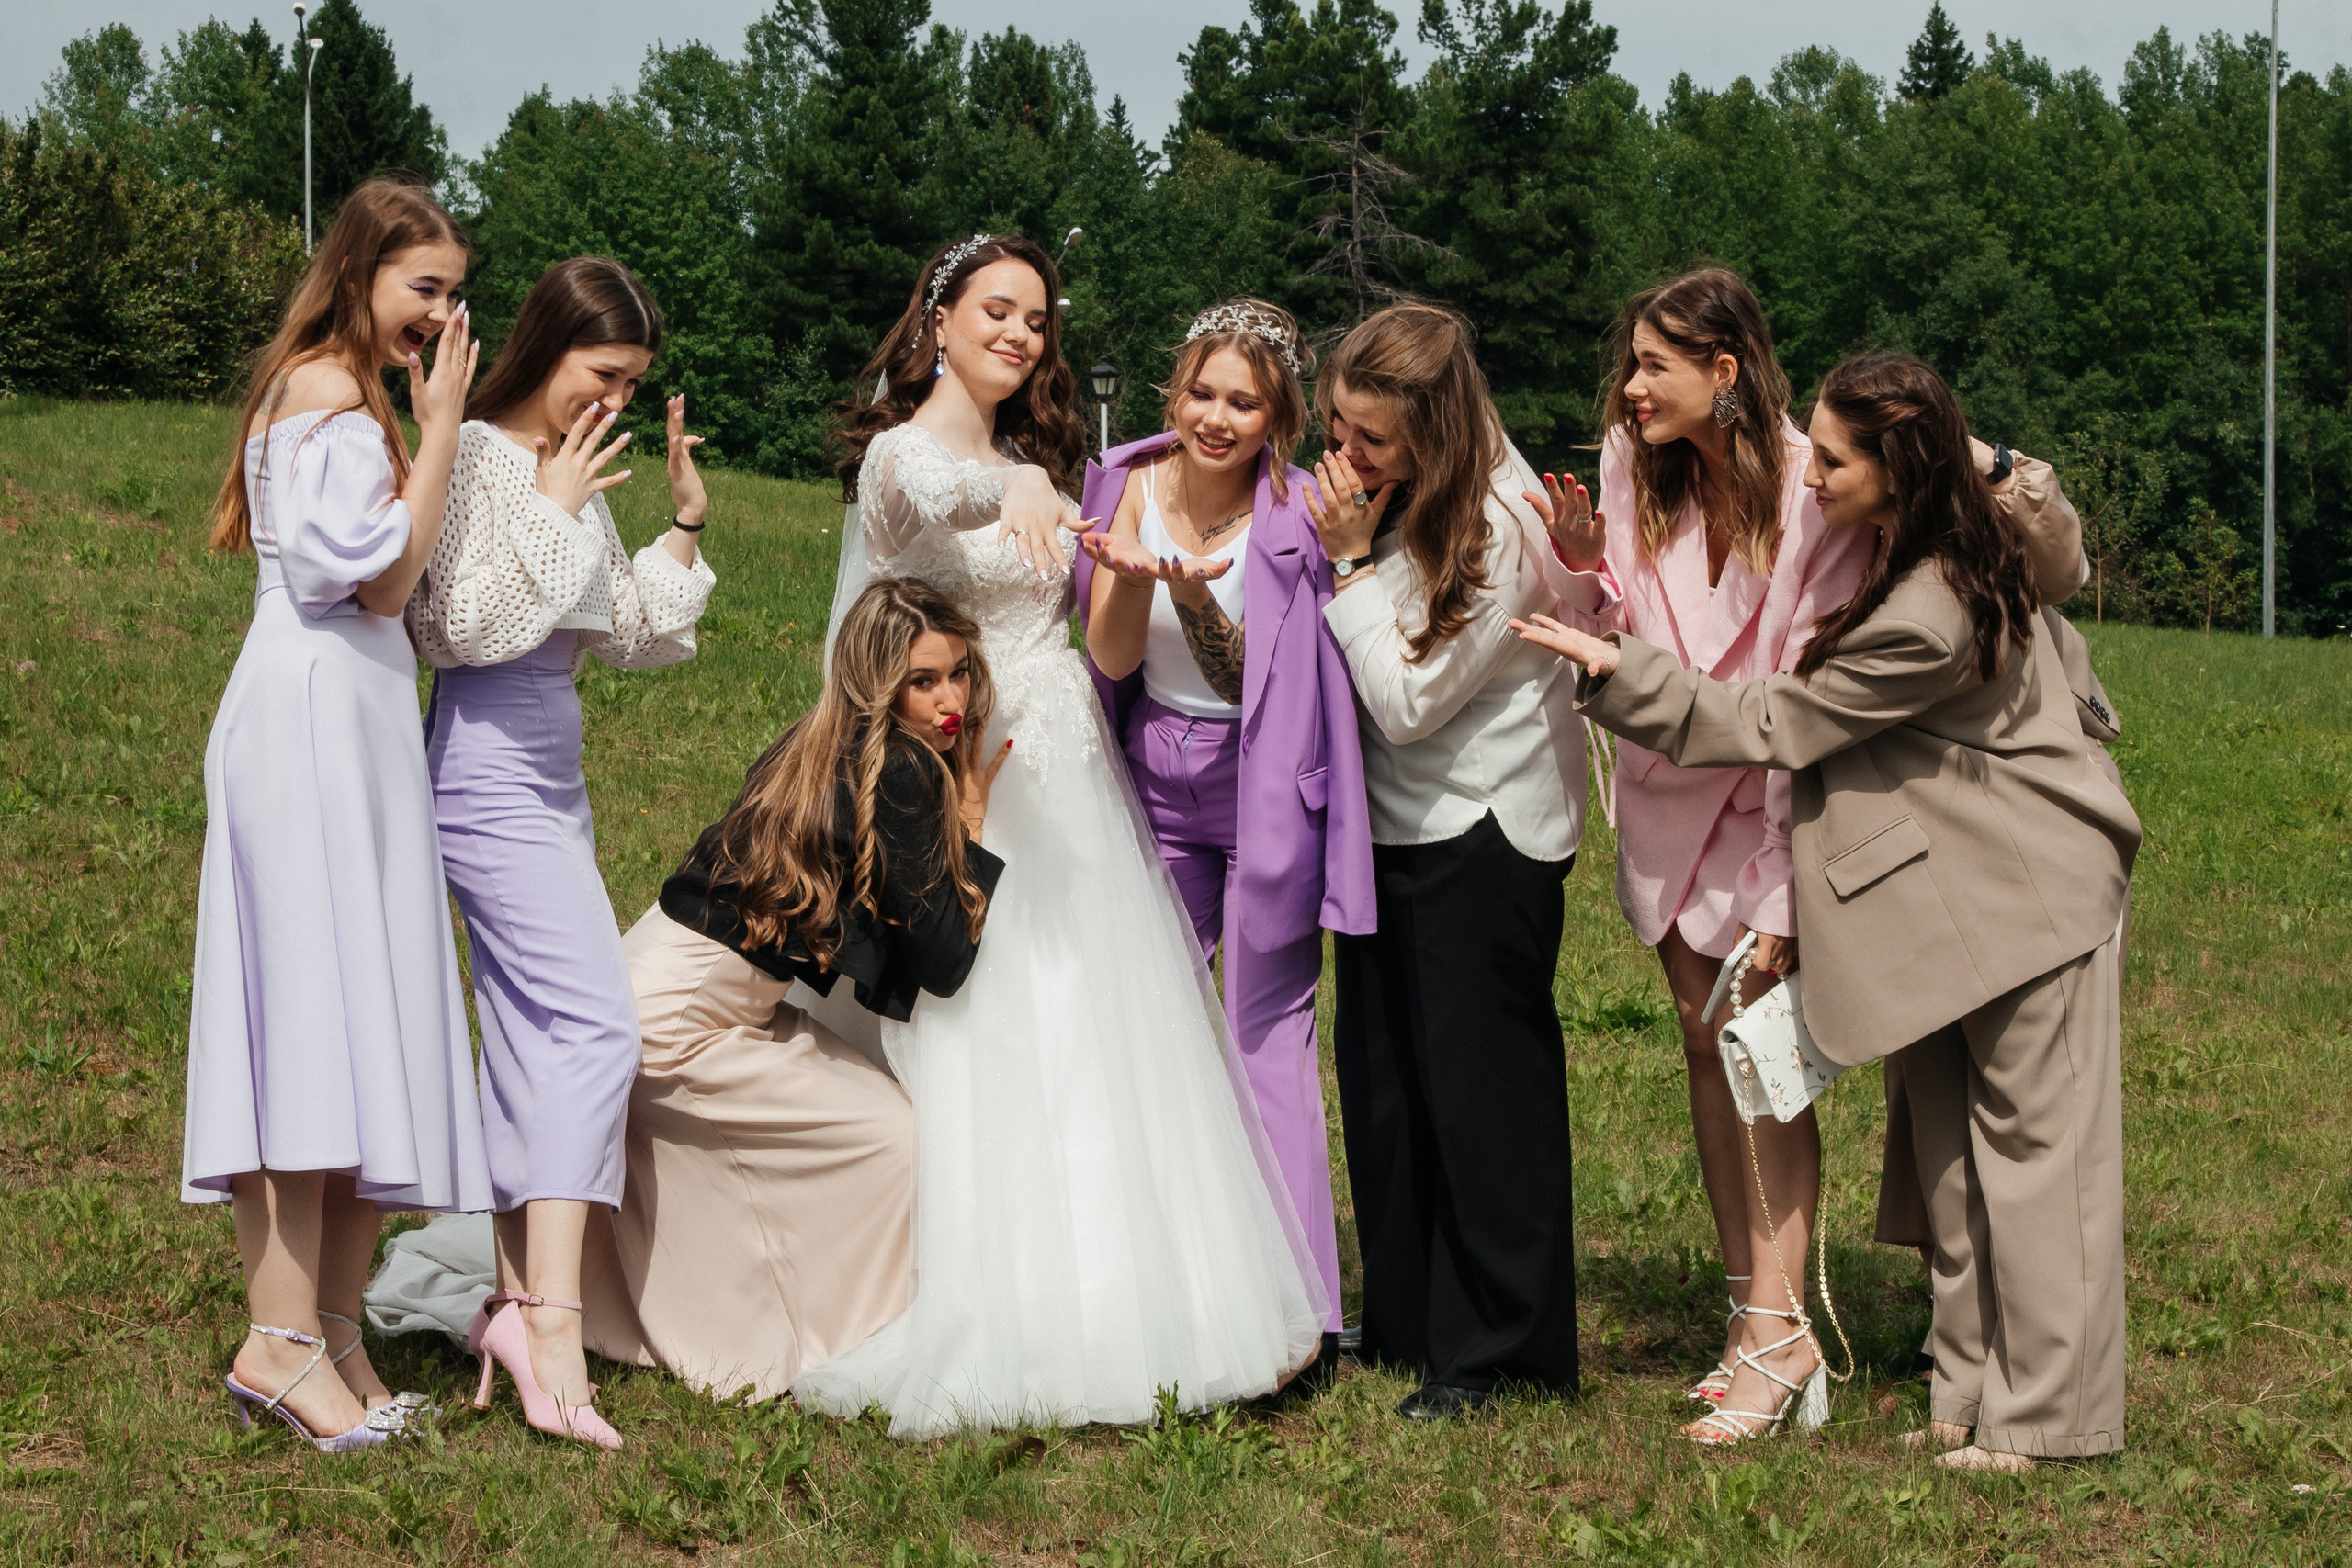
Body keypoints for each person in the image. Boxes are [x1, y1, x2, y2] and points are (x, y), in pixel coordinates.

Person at [1515, 351, 2140, 1470]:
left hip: (2034, 888)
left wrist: (1617, 671)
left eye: (1835, 461)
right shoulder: (1905, 542)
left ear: (1900, 468)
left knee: (2037, 1158)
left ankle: (2050, 1419)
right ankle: (1965, 1391)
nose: (1810, 475)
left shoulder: (1932, 607)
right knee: (1948, 1153)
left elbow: (1778, 721)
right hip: (1948, 893)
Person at [790, 233, 1328, 1438]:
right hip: (959, 770)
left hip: (1070, 766)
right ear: (938, 322)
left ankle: (1134, 1292)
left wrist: (1109, 551)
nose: (1021, 334)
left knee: (1102, 1028)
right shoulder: (901, 457)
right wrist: (1017, 492)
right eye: (998, 309)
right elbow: (926, 502)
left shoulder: (1034, 463)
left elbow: (1103, 642)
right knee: (983, 1022)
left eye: (1037, 319)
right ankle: (993, 1292)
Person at [1524, 268, 1871, 1438]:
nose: (1628, 389)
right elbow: (1620, 636)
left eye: (1652, 366)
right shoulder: (1635, 464)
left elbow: (1802, 703)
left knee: (1760, 1052)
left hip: (1767, 795)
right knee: (1701, 1044)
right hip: (1665, 797)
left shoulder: (1812, 492)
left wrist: (1781, 886)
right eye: (1630, 364)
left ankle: (1783, 1335)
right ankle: (1747, 1315)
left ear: (1724, 371)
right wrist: (1584, 561)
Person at [181, 178, 488, 1452]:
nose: (441, 314)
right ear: (360, 271)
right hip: (310, 722)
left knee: (362, 1023)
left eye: (455, 294)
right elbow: (377, 584)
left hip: (353, 726)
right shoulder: (324, 392)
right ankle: (280, 1338)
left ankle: (331, 1329)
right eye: (424, 287)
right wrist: (444, 431)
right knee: (309, 1022)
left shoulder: (353, 399)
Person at [404, 256, 717, 1450]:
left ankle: (510, 1309)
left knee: (536, 1043)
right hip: (483, 769)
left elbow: (625, 632)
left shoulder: (573, 468)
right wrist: (550, 502)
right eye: (604, 372)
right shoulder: (479, 454)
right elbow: (455, 627)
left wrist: (682, 524)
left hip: (554, 772)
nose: (615, 400)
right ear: (548, 346)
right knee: (594, 1029)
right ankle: (554, 1323)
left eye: (632, 383)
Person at [578, 577, 1012, 1402]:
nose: (951, 700)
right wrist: (971, 824)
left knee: (870, 1123)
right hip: (683, 1022)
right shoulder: (903, 771)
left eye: (958, 672)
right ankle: (856, 1340)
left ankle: (782, 1312)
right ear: (879, 685)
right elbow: (944, 963)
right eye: (923, 681)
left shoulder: (817, 738)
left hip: (667, 977)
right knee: (891, 1138)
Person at [1072, 299, 1375, 1382]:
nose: (1215, 417)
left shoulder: (1296, 515)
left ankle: (1302, 1316)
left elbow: (1260, 682)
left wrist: (1197, 604)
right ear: (1175, 391)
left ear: (1277, 417)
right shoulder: (1120, 483)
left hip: (1265, 790)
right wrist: (1127, 574)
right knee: (1142, 1020)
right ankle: (1150, 1283)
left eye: (1243, 403)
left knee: (1263, 1039)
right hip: (1152, 774)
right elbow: (1110, 661)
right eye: (1201, 392)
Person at [1305, 303, 1586, 1422]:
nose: (1346, 455)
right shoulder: (1407, 495)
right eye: (1337, 427)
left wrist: (1345, 566)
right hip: (1389, 830)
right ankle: (1412, 1321)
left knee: (1484, 1102)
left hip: (1483, 829)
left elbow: (1409, 702)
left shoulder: (1505, 522)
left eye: (1370, 438)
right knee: (1390, 1090)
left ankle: (1506, 1352)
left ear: (1436, 424)